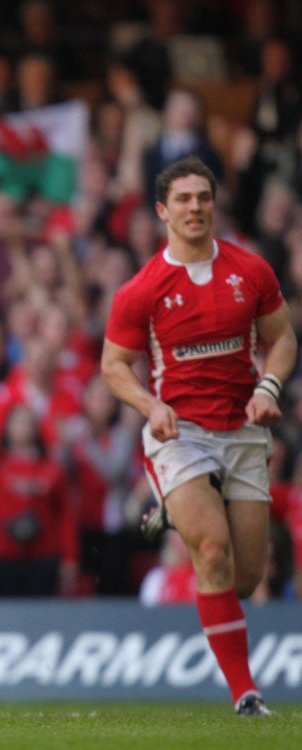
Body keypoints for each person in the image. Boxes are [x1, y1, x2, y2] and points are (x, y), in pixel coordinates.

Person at [101, 156, 297, 716]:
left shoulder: (252, 271)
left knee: (244, 575)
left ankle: (178, 504)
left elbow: (282, 339)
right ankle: (246, 694)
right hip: (179, 433)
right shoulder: (142, 289)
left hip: (243, 431)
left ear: (215, 205)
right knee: (210, 552)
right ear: (163, 211)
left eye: (203, 198)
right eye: (183, 199)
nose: (194, 208)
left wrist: (270, 387)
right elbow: (114, 365)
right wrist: (149, 404)